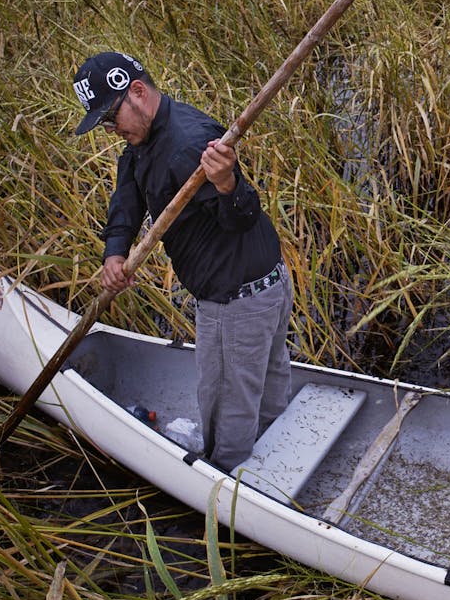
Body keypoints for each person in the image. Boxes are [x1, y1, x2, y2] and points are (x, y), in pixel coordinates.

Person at [71, 51, 292, 471]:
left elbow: (243, 217)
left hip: (237, 302)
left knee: (225, 403)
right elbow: (128, 194)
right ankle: (272, 453)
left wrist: (227, 183)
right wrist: (115, 250)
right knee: (266, 382)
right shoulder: (143, 139)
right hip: (268, 286)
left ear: (137, 92)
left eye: (110, 118)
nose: (111, 130)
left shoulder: (189, 142)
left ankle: (226, 482)